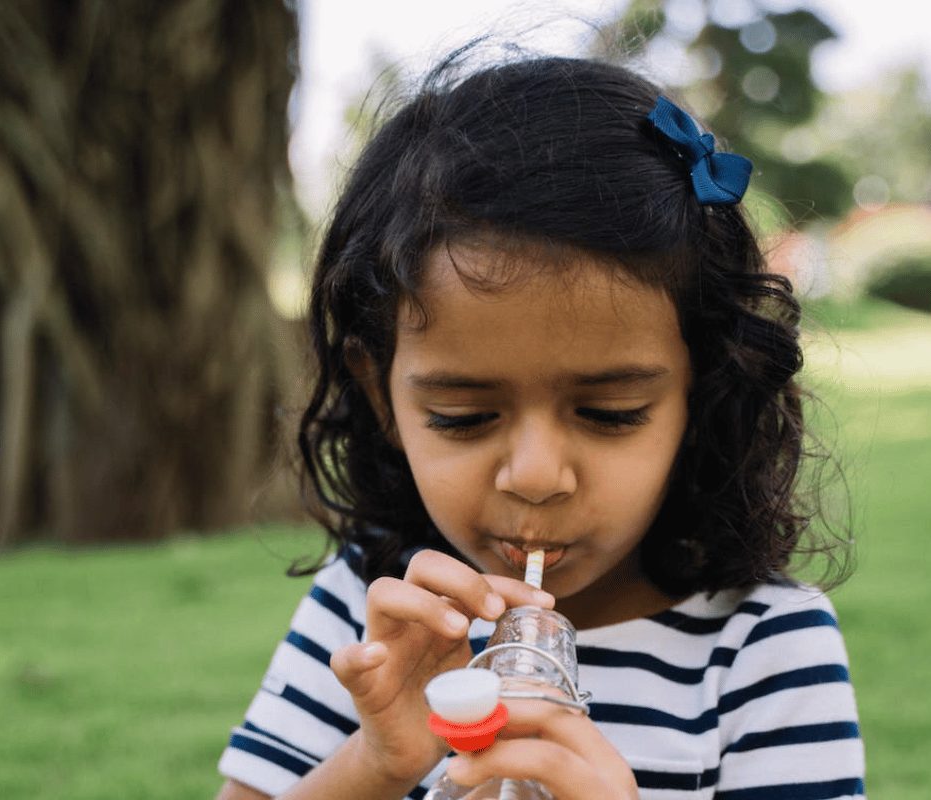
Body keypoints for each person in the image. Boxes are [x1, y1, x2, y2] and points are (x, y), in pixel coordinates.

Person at [216, 52, 865, 800]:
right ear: (381, 394)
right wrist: (375, 765)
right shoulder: (374, 612)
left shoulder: (763, 645)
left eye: (610, 413)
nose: (534, 474)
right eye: (462, 417)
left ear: (703, 393)